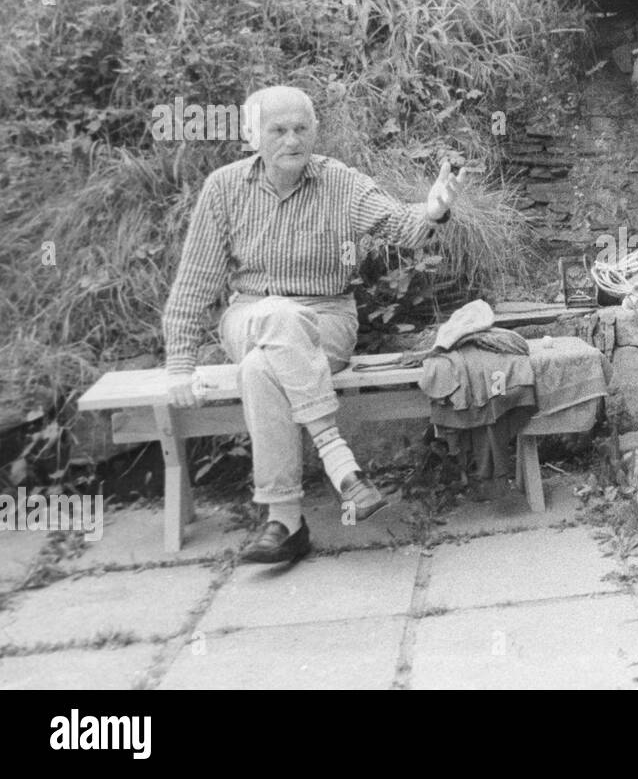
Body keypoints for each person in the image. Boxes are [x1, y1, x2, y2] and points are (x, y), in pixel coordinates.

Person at [162, 85, 467, 564]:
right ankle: (339, 461)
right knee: (276, 317)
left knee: (260, 371)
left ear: (315, 132)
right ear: (252, 135)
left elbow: (400, 225)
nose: (291, 140)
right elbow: (195, 280)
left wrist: (434, 209)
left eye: (301, 128)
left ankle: (284, 522)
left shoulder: (339, 183)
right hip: (249, 315)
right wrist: (179, 365)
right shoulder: (224, 187)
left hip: (326, 319)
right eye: (278, 130)